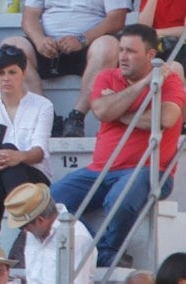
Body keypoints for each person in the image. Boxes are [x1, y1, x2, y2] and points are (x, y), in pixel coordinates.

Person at [51, 24, 185, 267]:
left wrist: (120, 113)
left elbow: (166, 118)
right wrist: (144, 84)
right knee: (52, 201)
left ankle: (107, 251)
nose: (122, 56)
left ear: (150, 56)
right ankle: (99, 252)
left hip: (149, 171)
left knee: (119, 197)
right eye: (121, 49)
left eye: (131, 51)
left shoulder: (170, 81)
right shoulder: (107, 76)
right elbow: (102, 110)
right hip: (100, 170)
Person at [0, 0, 129, 138]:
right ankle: (46, 116)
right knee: (9, 47)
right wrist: (39, 40)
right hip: (48, 46)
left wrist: (81, 39)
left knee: (109, 45)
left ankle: (76, 117)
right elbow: (29, 16)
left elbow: (117, 19)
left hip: (88, 47)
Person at [0, 46, 54, 234]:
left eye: (12, 72)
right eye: (0, 73)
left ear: (24, 73)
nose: (6, 78)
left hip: (33, 176)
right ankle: (27, 231)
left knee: (6, 162)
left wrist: (17, 157)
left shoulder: (43, 105)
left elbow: (39, 152)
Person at [3, 183, 94, 284]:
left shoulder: (77, 238)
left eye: (23, 226)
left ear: (40, 220)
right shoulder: (35, 231)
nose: (24, 230)